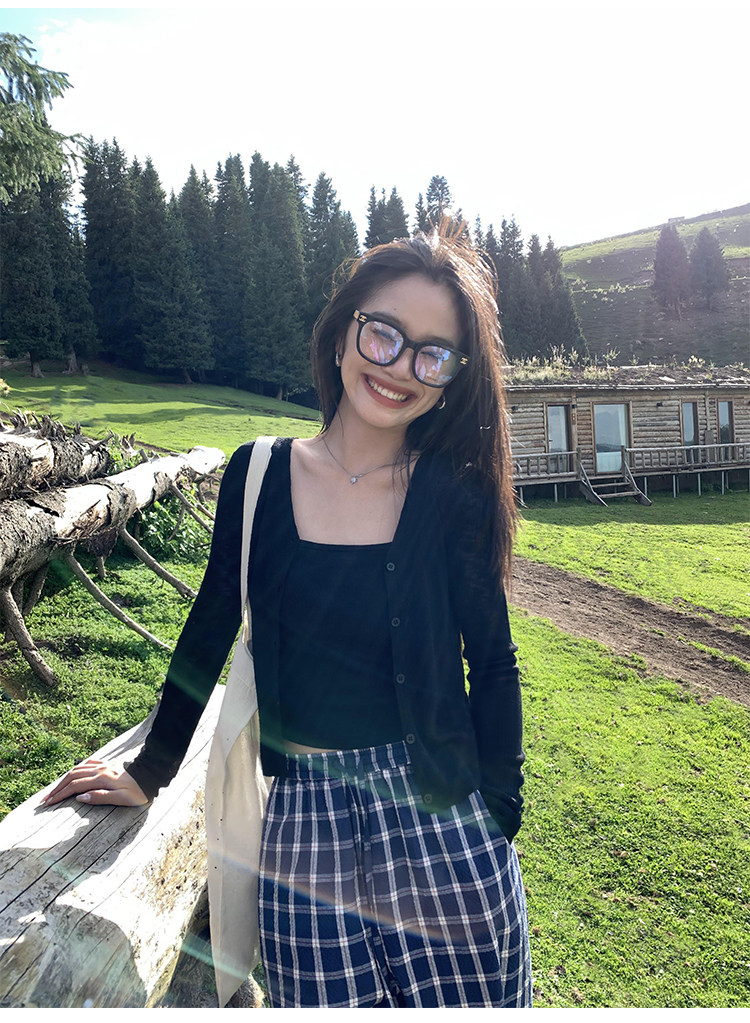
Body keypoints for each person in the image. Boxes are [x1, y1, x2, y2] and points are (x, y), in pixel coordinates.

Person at [43, 226, 532, 1008]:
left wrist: (497, 815)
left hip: (443, 824)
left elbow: (495, 662)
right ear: (342, 333)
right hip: (303, 828)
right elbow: (208, 630)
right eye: (384, 333)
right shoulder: (259, 474)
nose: (399, 366)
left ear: (449, 380)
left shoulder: (453, 493)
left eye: (432, 354)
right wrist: (148, 769)